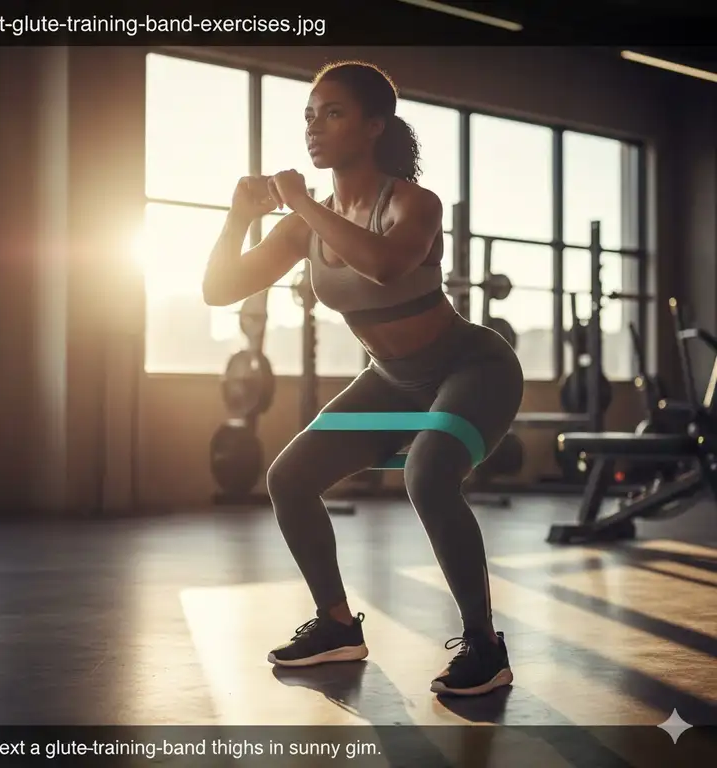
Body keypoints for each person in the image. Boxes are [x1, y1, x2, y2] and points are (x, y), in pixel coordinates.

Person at [202, 61, 524, 697]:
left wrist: (295, 202)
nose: (314, 129)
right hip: (393, 383)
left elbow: (382, 264)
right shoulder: (306, 222)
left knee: (428, 475)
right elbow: (219, 289)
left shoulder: (411, 203)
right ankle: (336, 625)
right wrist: (240, 216)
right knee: (290, 478)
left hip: (470, 368)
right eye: (309, 116)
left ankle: (485, 647)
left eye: (333, 113)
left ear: (375, 126)